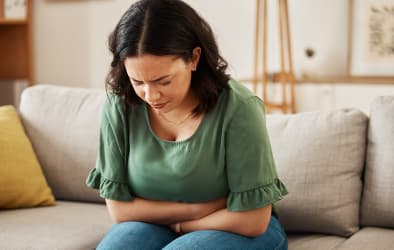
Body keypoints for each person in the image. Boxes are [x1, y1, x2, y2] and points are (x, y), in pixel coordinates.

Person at [86, 0, 288, 249]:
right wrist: (195, 210)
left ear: (194, 58)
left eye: (163, 81)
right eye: (138, 81)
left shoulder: (239, 108)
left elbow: (253, 219)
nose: (151, 95)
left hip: (240, 229)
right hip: (157, 226)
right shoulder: (120, 106)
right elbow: (119, 211)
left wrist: (184, 227)